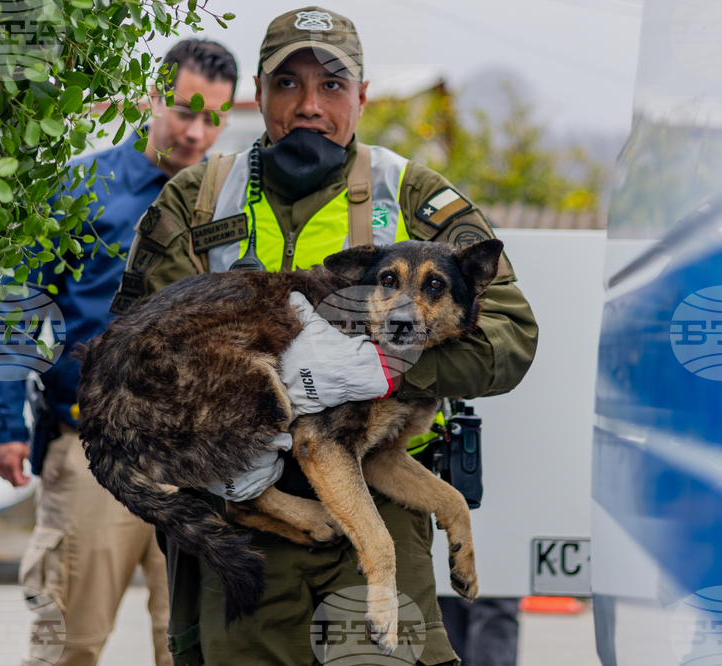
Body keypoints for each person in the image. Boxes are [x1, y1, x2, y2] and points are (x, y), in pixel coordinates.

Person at [111, 7, 539, 666]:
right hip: (243, 525)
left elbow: (511, 333)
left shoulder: (414, 194)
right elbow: (135, 351)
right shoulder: (196, 199)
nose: (309, 105)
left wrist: (387, 370)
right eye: (288, 83)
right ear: (260, 91)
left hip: (380, 506)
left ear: (361, 96)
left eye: (332, 85)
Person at [0, 39, 238, 666]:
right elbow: (17, 302)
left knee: (200, 651)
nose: (196, 132)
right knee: (69, 643)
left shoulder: (234, 199)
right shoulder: (81, 187)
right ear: (152, 97)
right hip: (97, 450)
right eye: (184, 111)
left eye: (213, 118)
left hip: (205, 463)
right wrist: (2, 421)